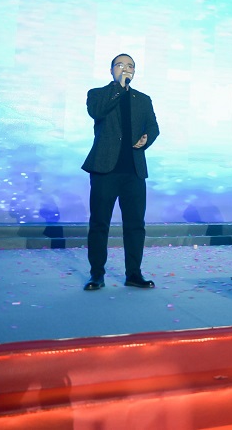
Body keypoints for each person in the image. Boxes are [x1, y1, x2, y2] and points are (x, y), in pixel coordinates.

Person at [81, 54, 160, 290]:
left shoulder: (143, 99)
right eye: (120, 65)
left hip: (134, 171)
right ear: (111, 70)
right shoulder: (97, 94)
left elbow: (153, 127)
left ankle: (134, 274)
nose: (126, 69)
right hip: (105, 169)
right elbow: (97, 112)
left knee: (135, 225)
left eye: (130, 66)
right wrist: (118, 88)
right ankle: (97, 274)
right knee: (99, 224)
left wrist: (147, 138)